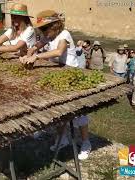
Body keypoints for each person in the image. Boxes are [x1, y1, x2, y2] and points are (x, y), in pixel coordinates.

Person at [20, 10, 91, 160]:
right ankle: (63, 138)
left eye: (46, 28)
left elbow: (59, 51)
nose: (44, 32)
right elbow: (40, 43)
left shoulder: (64, 35)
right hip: (58, 75)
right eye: (42, 29)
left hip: (72, 76)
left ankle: (86, 143)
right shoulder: (49, 35)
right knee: (58, 110)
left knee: (79, 112)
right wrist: (32, 49)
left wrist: (36, 56)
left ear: (56, 25)